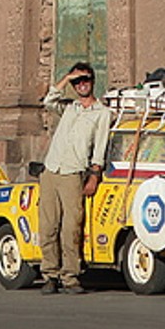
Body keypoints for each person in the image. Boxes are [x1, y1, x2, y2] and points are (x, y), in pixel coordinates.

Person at [38, 62, 110, 295]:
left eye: (85, 80)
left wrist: (94, 176)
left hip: (73, 172)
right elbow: (49, 101)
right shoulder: (69, 107)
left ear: (93, 81)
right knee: (48, 226)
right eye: (77, 82)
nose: (81, 85)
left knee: (71, 228)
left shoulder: (102, 113)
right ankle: (50, 274)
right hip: (52, 169)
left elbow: (100, 146)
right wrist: (66, 78)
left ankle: (70, 276)